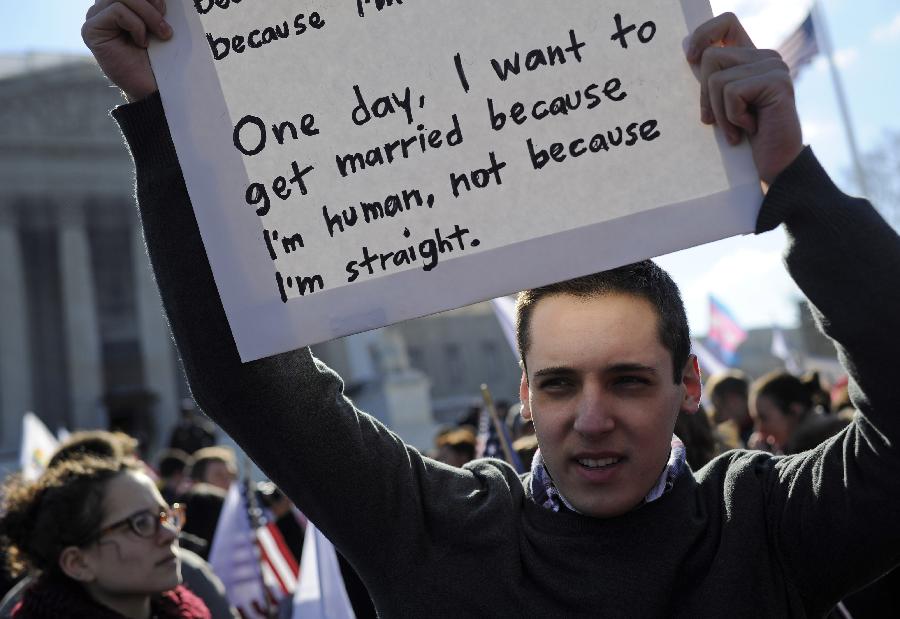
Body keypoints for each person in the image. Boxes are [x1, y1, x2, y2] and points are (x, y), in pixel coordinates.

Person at [83, 3, 900, 615]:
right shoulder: (436, 529)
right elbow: (251, 384)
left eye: (627, 381)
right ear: (522, 393)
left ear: (688, 384)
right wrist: (170, 124)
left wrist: (797, 181)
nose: (591, 418)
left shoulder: (769, 521)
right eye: (557, 384)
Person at [0, 457, 209, 618]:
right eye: (141, 522)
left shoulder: (191, 610)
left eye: (165, 515)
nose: (170, 533)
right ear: (78, 563)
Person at [749, 370, 850, 454]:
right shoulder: (792, 447)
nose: (759, 429)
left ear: (794, 411)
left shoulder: (835, 443)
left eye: (763, 418)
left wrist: (767, 466)